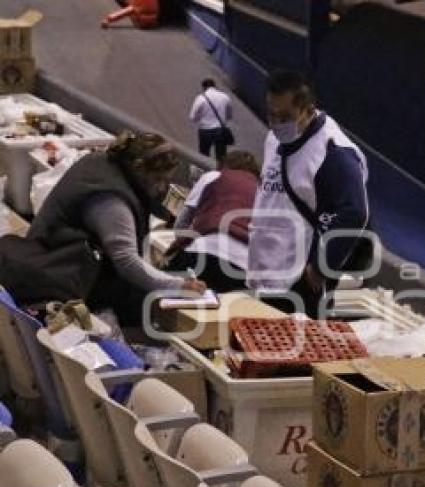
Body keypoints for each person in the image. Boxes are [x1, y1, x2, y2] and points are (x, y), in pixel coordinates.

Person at [26, 131, 206, 325]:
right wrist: (178, 286)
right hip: (55, 279)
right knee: (137, 308)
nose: (162, 188)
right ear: (138, 168)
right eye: (158, 179)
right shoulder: (111, 200)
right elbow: (126, 261)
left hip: (43, 254)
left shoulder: (100, 162)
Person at [248, 70, 371, 317]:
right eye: (271, 114)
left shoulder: (333, 152)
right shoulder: (274, 139)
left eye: (285, 117)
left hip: (300, 278)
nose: (276, 124)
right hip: (267, 270)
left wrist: (319, 267)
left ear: (307, 110)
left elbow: (355, 212)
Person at [164, 150, 260, 293]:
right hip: (242, 265)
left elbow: (181, 225)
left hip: (202, 251)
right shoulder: (263, 190)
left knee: (168, 295)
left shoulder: (213, 176)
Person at [189, 78, 234, 164]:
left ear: (204, 87)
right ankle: (220, 174)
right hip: (220, 131)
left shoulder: (200, 98)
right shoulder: (225, 97)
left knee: (204, 156)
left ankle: (205, 174)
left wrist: (201, 118)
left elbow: (192, 117)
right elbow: (229, 116)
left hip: (205, 130)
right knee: (221, 157)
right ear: (214, 86)